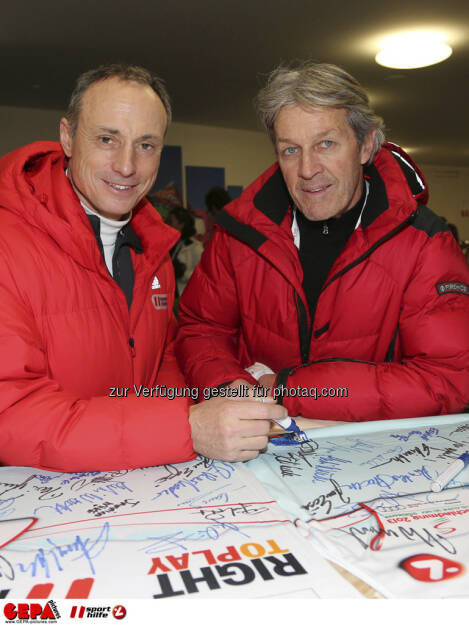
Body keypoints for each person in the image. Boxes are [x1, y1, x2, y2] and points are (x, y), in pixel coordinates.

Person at [0, 64, 285, 471]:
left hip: (135, 486)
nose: (127, 165)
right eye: (106, 139)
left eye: (146, 145)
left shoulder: (153, 247)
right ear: (67, 136)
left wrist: (211, 405)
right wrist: (185, 428)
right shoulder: (7, 241)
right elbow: (11, 415)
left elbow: (162, 361)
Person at [177, 62, 469, 440]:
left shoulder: (425, 243)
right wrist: (230, 389)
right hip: (258, 448)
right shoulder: (239, 234)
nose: (307, 169)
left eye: (326, 144)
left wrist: (289, 391)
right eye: (290, 150)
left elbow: (448, 375)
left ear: (365, 145)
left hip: (379, 456)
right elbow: (200, 328)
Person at [167, 206, 204, 296]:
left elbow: (202, 275)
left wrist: (183, 273)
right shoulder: (178, 244)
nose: (167, 225)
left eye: (170, 222)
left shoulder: (195, 247)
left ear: (181, 224)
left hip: (187, 296)